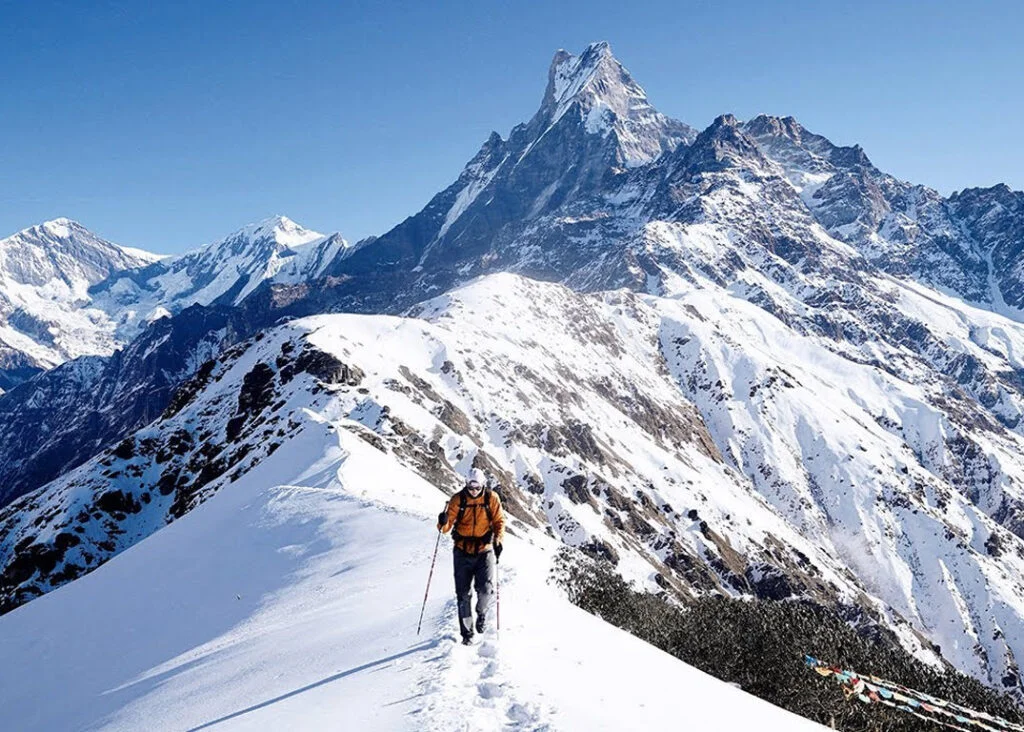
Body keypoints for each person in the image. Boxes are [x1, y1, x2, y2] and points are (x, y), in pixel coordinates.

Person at [437, 467, 505, 644]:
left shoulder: (491, 499)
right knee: (463, 594)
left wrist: (498, 540)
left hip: (484, 550)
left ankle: (482, 613)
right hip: (462, 551)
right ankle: (467, 635)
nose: (473, 491)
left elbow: (499, 521)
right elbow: (445, 528)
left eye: (477, 487)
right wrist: (442, 522)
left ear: (483, 485)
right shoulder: (457, 500)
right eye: (470, 487)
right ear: (466, 484)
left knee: (485, 589)